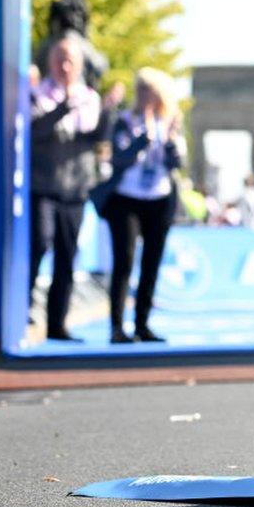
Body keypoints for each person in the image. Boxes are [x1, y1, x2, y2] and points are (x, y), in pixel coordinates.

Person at [29, 35, 118, 341]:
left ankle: (57, 322)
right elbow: (36, 131)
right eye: (59, 59)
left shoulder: (89, 98)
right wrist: (63, 107)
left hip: (75, 190)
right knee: (40, 243)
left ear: (79, 65)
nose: (64, 66)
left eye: (70, 60)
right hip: (43, 185)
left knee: (67, 257)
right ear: (50, 62)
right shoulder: (37, 94)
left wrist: (107, 111)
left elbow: (95, 138)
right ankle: (25, 305)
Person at [97, 67, 184, 344]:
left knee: (151, 263)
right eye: (141, 89)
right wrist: (142, 138)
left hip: (159, 201)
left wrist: (169, 141)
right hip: (126, 199)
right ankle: (116, 326)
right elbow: (119, 158)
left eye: (151, 90)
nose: (145, 95)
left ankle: (142, 324)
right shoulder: (125, 121)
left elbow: (176, 164)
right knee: (124, 261)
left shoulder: (170, 123)